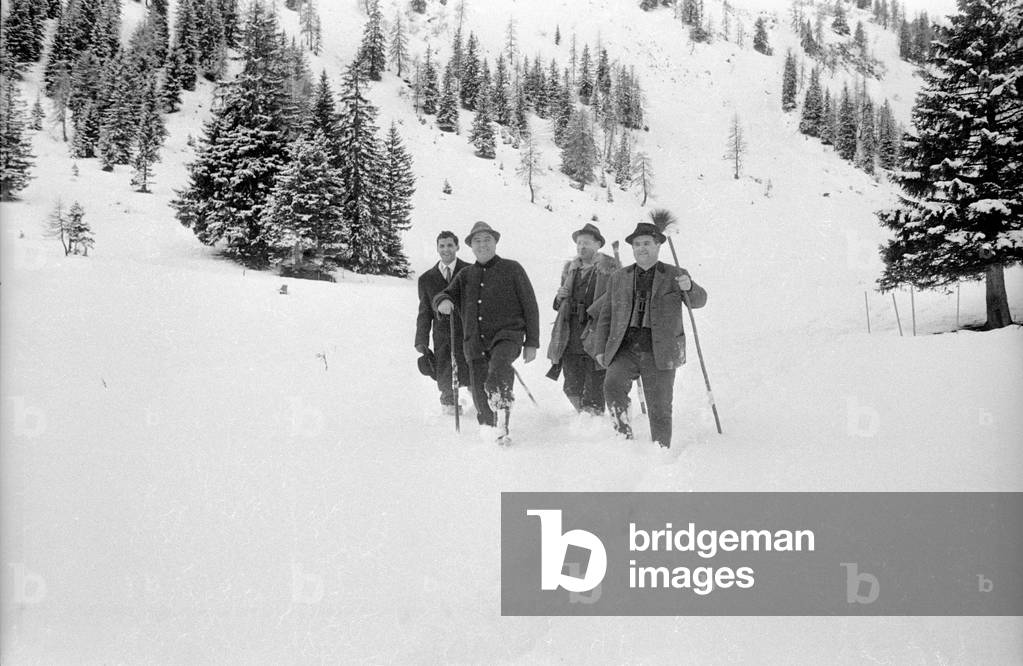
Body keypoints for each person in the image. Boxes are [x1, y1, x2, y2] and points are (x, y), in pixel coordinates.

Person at [591, 222, 708, 448]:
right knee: (612, 385)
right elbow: (606, 315)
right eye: (637, 244)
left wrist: (690, 286)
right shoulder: (619, 277)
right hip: (625, 349)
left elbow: (699, 301)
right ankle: (623, 437)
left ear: (658, 246)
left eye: (646, 243)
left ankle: (661, 450)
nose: (641, 248)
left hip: (660, 351)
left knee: (660, 406)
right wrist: (599, 349)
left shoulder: (675, 275)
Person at [434, 221, 540, 444]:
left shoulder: (512, 269)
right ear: (471, 246)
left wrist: (532, 342)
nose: (482, 245)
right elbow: (443, 295)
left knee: (499, 370)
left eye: (487, 240)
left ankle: (502, 422)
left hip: (507, 336)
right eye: (477, 241)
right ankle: (489, 432)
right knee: (481, 391)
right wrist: (443, 300)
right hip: (475, 342)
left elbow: (530, 305)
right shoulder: (465, 275)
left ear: (495, 242)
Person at [547, 223, 620, 414]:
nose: (581, 247)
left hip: (596, 329)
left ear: (598, 244)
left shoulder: (610, 267)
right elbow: (559, 303)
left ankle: (593, 416)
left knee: (595, 375)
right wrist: (559, 297)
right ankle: (583, 415)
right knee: (571, 383)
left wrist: (593, 310)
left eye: (586, 243)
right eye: (579, 243)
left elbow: (617, 295)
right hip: (570, 329)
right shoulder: (570, 269)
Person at [416, 231, 472, 414]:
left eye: (450, 245)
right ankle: (449, 407)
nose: (446, 249)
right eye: (442, 245)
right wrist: (421, 340)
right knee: (445, 371)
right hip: (442, 334)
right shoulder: (426, 279)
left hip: (467, 331)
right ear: (437, 248)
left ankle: (480, 400)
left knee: (473, 368)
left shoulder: (470, 271)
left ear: (457, 247)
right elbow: (424, 312)